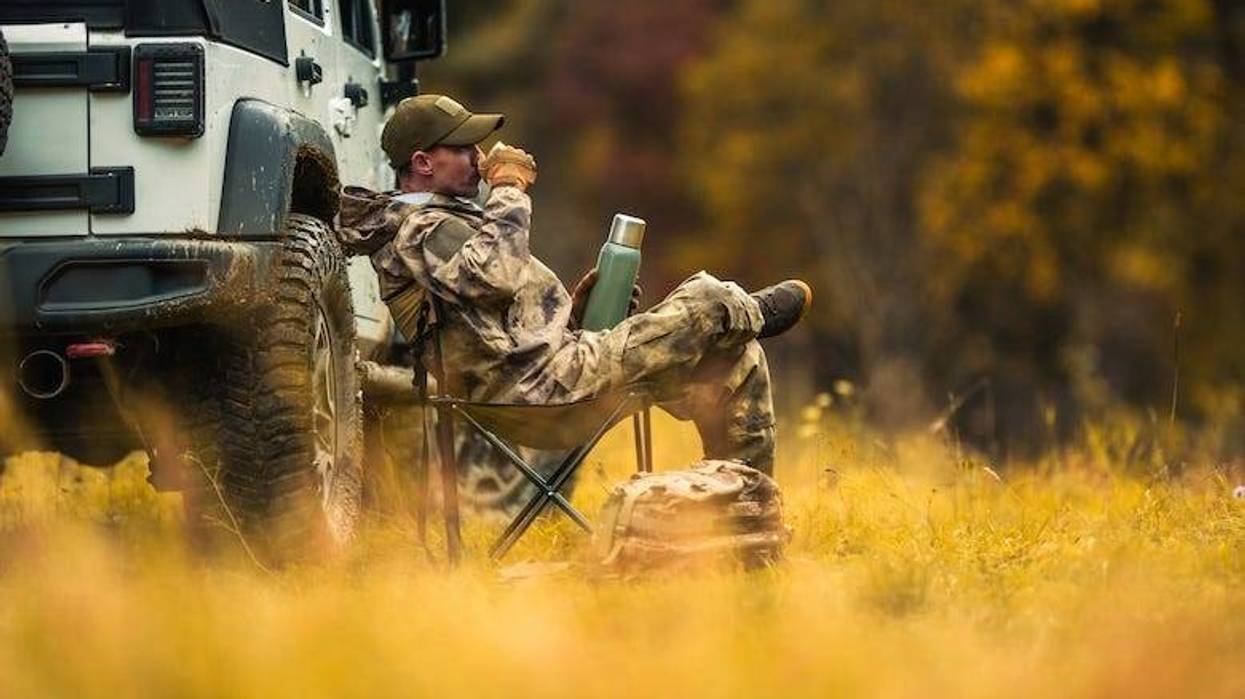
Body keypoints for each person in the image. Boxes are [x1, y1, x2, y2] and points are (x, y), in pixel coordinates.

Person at [341, 94, 811, 475]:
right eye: (463, 148)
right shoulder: (417, 229)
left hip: (555, 379)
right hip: (537, 398)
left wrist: (579, 314)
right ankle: (744, 309)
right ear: (423, 161)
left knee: (736, 360)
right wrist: (509, 191)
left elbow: (497, 330)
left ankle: (743, 508)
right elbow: (495, 279)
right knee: (707, 299)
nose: (480, 157)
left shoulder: (445, 222)